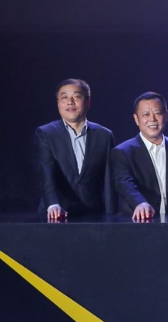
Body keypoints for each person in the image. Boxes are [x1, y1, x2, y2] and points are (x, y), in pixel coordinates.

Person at [35, 79, 115, 219]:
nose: (70, 102)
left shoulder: (104, 135)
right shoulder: (46, 133)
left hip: (94, 215)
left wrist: (111, 216)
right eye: (64, 97)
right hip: (56, 215)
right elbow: (46, 173)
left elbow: (108, 181)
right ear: (58, 103)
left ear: (88, 102)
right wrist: (53, 204)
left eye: (76, 97)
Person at [111, 92, 168, 220]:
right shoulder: (123, 152)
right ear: (136, 119)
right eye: (146, 114)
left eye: (158, 113)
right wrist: (140, 203)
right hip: (140, 223)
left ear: (166, 116)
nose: (152, 119)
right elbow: (124, 184)